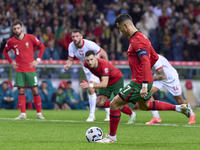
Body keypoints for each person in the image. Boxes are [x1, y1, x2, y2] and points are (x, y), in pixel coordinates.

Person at [96, 13, 190, 143]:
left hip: (139, 82)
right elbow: (155, 58)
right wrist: (145, 75)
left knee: (114, 104)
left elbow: (146, 61)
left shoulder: (137, 40)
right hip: (144, 79)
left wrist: (144, 83)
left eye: (119, 27)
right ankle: (179, 108)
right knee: (145, 106)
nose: (120, 31)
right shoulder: (143, 37)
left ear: (126, 25)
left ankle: (111, 138)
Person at [3, 20, 46, 119]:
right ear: (13, 30)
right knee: (21, 91)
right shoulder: (11, 41)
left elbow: (42, 47)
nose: (17, 30)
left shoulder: (30, 37)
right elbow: (5, 52)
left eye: (18, 28)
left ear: (22, 28)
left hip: (31, 69)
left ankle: (39, 114)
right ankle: (23, 114)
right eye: (15, 29)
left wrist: (37, 60)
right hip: (19, 70)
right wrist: (11, 62)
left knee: (35, 90)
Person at [64, 29, 109, 122]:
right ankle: (109, 112)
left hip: (97, 69)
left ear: (81, 36)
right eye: (73, 37)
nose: (75, 38)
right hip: (87, 71)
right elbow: (70, 59)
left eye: (77, 36)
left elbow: (103, 53)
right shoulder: (71, 46)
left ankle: (92, 115)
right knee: (96, 92)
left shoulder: (89, 44)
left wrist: (106, 68)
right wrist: (68, 65)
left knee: (91, 88)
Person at [80, 50, 137, 124]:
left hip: (116, 80)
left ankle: (132, 114)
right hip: (105, 81)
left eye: (91, 59)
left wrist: (90, 85)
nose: (90, 62)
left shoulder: (103, 65)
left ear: (95, 58)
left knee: (118, 103)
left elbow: (104, 84)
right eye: (88, 60)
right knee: (100, 103)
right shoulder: (86, 64)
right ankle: (115, 105)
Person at [146, 54, 196, 125]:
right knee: (148, 93)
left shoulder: (155, 58)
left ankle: (192, 114)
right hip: (158, 77)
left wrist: (148, 79)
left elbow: (163, 76)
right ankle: (156, 117)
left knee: (179, 100)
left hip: (170, 78)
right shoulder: (144, 57)